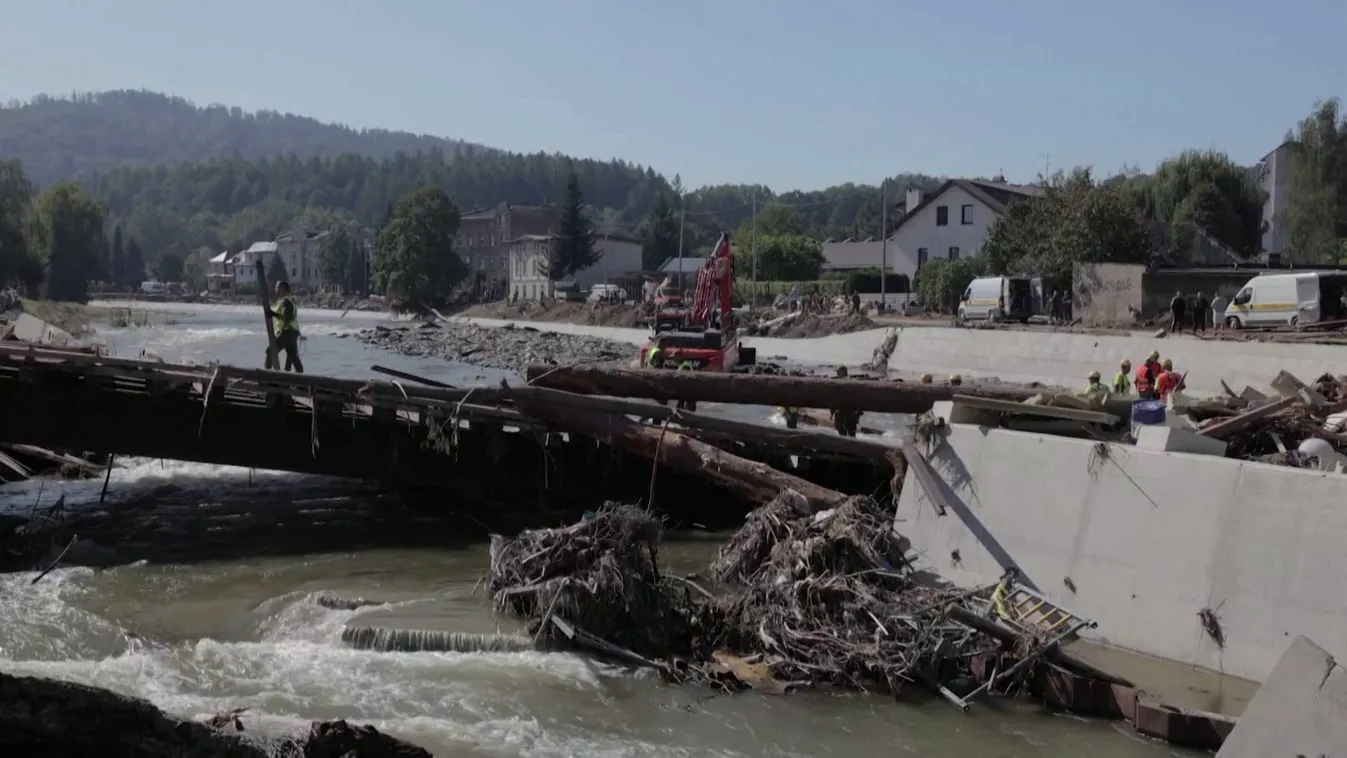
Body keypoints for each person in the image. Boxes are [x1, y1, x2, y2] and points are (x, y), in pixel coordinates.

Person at [268, 281, 304, 373]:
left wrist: (273, 314)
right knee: (293, 358)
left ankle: (266, 379)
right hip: (292, 334)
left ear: (282, 289)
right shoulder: (287, 301)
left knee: (270, 352)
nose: (275, 290)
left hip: (287, 333)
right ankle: (302, 382)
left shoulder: (285, 302)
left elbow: (286, 318)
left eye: (277, 288)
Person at [830, 366, 861, 437]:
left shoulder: (840, 382)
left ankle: (844, 444)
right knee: (851, 431)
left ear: (843, 372)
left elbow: (836, 397)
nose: (837, 373)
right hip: (853, 410)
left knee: (841, 429)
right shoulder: (854, 381)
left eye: (838, 372)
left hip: (843, 410)